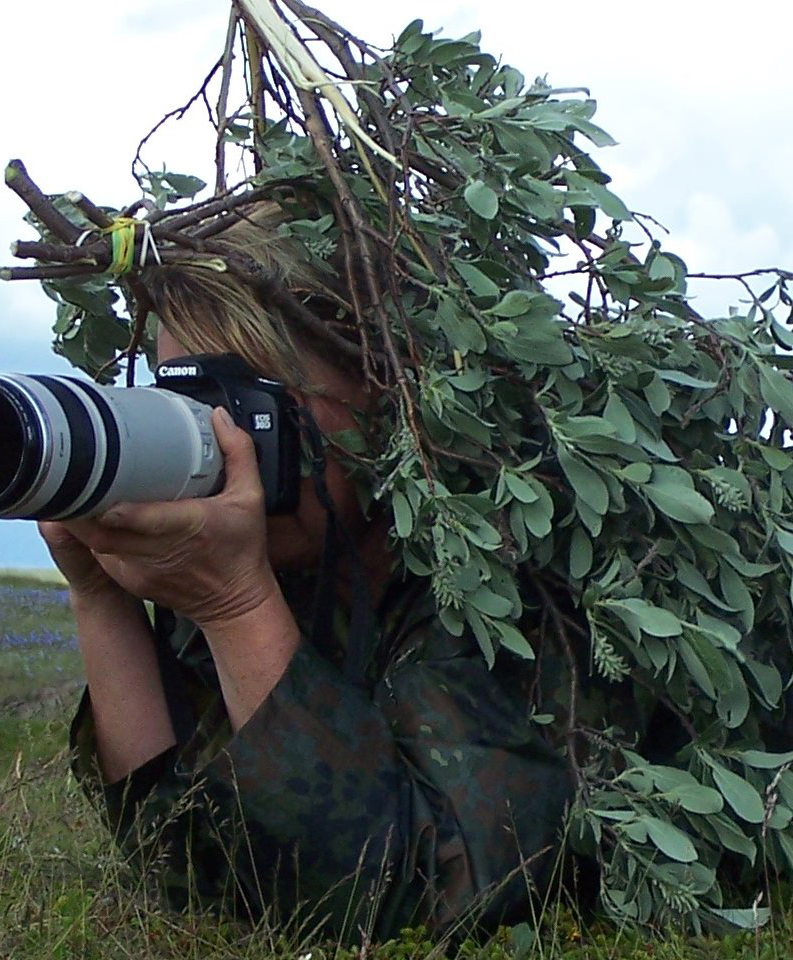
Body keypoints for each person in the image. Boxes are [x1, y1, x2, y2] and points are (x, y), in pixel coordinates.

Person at [36, 212, 585, 941]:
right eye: (194, 406)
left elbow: (430, 906)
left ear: (392, 391)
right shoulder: (269, 574)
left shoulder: (492, 589)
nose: (222, 439)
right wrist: (100, 595)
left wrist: (238, 609)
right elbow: (178, 860)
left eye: (253, 398)